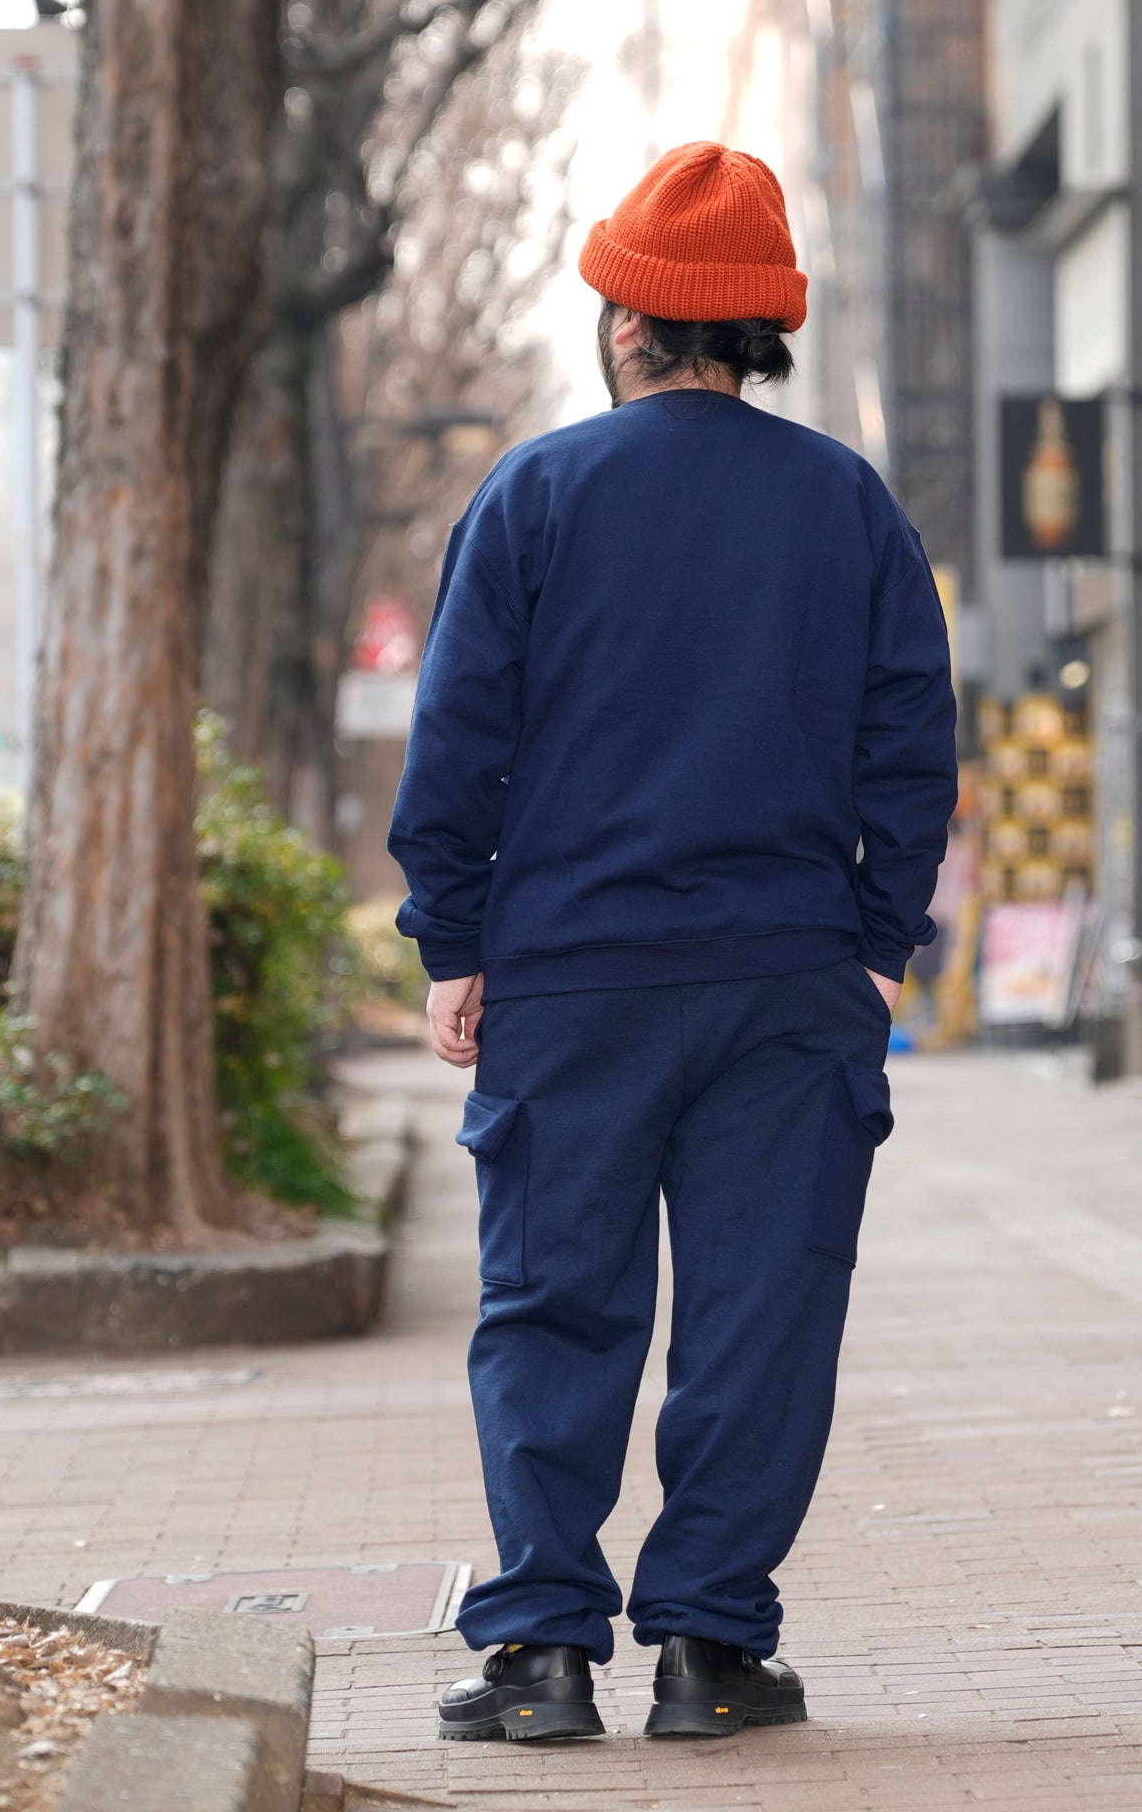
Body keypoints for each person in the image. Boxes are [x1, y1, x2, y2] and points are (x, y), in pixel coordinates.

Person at [389, 141, 957, 1745]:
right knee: (761, 1311)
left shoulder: (539, 495)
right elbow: (911, 739)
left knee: (554, 1304)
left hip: (573, 976)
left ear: (631, 327)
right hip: (789, 977)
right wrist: (874, 943)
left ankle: (544, 1654)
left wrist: (456, 937)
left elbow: (461, 742)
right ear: (755, 334)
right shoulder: (847, 500)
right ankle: (712, 1652)